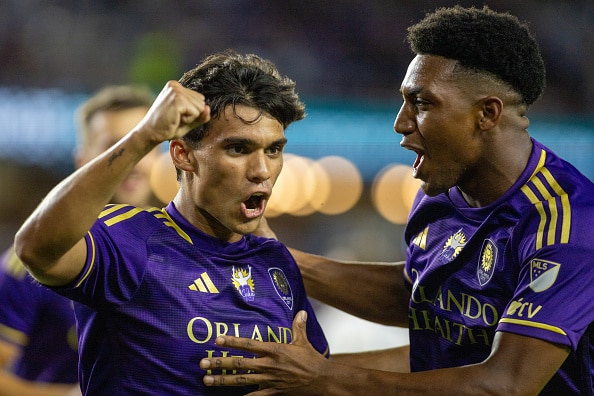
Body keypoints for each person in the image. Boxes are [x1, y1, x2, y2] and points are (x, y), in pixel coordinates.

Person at [197, 6, 594, 395]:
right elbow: (416, 296)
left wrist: (324, 378)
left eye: (422, 104)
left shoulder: (568, 225)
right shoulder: (440, 196)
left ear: (486, 113)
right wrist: (276, 257)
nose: (401, 123)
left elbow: (506, 384)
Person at [13, 50, 329, 395]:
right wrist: (144, 135)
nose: (262, 171)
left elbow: (316, 377)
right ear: (183, 154)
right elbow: (35, 249)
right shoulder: (130, 240)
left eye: (273, 150)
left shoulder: (275, 261)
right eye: (238, 149)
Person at [0, 85, 159, 396]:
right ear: (83, 159)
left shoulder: (182, 247)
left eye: (145, 146)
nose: (134, 161)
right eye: (117, 148)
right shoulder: (33, 262)